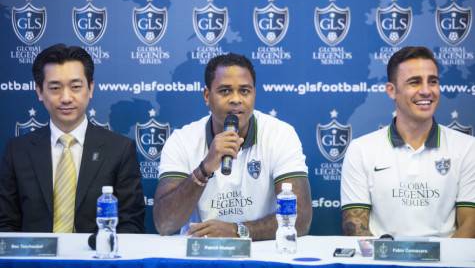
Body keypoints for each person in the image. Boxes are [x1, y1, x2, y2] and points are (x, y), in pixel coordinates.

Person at [154, 53, 312, 240]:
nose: (236, 99)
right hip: (200, 253)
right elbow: (165, 223)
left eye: (244, 91)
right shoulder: (182, 140)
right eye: (225, 91)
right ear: (207, 96)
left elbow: (300, 219)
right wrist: (204, 169)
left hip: (262, 252)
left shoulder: (281, 134)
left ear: (254, 94)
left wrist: (238, 231)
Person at [0, 44, 145, 233]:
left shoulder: (119, 149)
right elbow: (6, 224)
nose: (66, 98)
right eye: (55, 88)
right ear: (39, 91)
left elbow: (131, 224)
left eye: (76, 87)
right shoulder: (17, 150)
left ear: (90, 88)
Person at [340, 46, 475, 238]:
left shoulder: (468, 148)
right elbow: (355, 228)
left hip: (446, 264)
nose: (427, 91)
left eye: (433, 81)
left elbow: (471, 224)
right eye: (415, 82)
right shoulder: (361, 149)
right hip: (382, 264)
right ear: (391, 90)